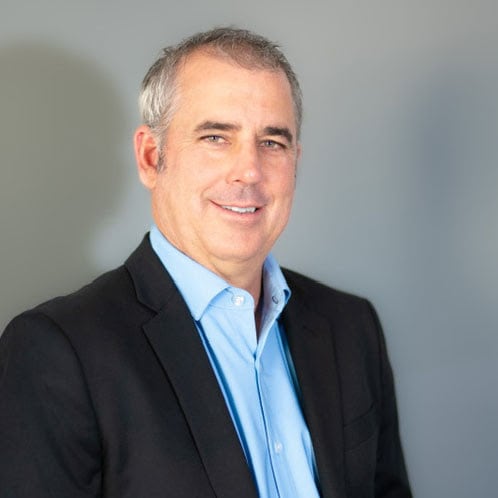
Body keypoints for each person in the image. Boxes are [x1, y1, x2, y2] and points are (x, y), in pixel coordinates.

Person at [0, 27, 411, 497]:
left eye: (272, 142)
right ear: (151, 158)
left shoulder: (351, 328)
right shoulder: (59, 352)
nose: (249, 171)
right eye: (216, 137)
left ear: (295, 162)